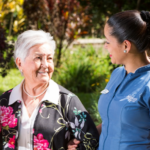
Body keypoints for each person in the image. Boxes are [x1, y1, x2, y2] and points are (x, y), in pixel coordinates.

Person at [0, 30, 99, 150]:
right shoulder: (5, 101)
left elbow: (91, 140)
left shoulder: (66, 101)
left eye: (49, 58)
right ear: (20, 63)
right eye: (38, 58)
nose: (45, 64)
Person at [67, 10, 150, 150]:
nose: (105, 46)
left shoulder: (147, 84)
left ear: (126, 46)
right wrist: (84, 140)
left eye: (108, 41)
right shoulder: (117, 74)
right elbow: (110, 122)